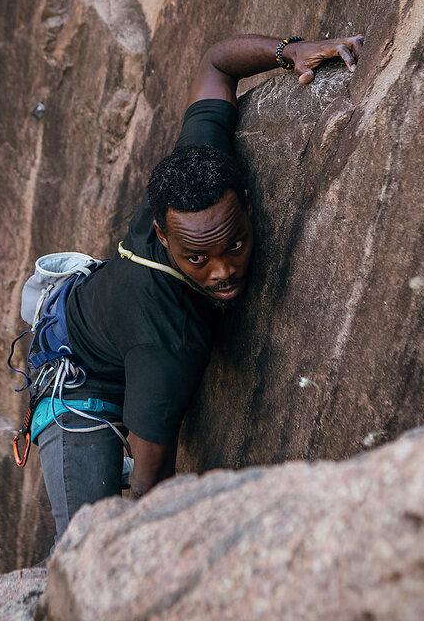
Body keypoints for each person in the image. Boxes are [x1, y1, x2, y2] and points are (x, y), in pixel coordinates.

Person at [30, 33, 364, 541]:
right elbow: (148, 492)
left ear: (246, 206)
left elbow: (217, 63)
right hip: (79, 385)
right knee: (87, 543)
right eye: (198, 258)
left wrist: (290, 51)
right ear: (163, 237)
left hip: (110, 321)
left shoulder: (200, 172)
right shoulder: (167, 343)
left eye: (234, 244)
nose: (223, 271)